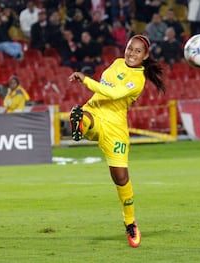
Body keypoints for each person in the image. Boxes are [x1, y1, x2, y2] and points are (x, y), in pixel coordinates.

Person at [68, 34, 166, 248]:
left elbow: (114, 94)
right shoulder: (116, 63)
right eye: (130, 48)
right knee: (83, 116)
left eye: (138, 51)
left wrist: (85, 80)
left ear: (145, 55)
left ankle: (130, 221)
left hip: (115, 127)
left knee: (120, 177)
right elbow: (105, 91)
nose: (132, 53)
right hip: (94, 111)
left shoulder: (138, 79)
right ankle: (81, 124)